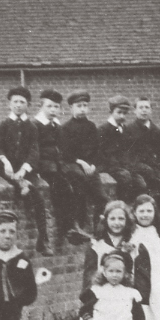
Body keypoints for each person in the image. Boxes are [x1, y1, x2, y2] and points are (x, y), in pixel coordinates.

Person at [0, 86, 49, 253]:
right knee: (22, 188)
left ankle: (43, 240)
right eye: (15, 102)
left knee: (39, 200)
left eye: (22, 102)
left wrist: (24, 170)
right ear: (9, 104)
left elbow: (34, 151)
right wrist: (5, 161)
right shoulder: (3, 125)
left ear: (28, 105)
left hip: (25, 170)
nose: (18, 105)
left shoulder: (32, 127)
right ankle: (22, 186)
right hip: (7, 170)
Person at [31, 88, 86, 250]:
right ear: (41, 107)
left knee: (74, 182)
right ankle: (68, 228)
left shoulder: (57, 126)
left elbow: (61, 149)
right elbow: (35, 150)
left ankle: (73, 226)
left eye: (56, 107)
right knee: (61, 189)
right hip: (43, 167)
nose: (53, 110)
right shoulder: (35, 125)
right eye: (49, 106)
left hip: (57, 166)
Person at [59, 90, 104, 235]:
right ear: (71, 108)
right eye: (79, 106)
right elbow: (66, 153)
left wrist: (92, 164)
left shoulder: (91, 127)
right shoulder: (65, 128)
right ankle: (78, 226)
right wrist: (81, 162)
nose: (83, 109)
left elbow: (97, 149)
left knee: (102, 197)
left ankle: (99, 229)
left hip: (90, 166)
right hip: (73, 165)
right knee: (80, 189)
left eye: (85, 105)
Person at [96, 95, 141, 202]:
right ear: (111, 112)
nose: (122, 116)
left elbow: (129, 150)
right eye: (119, 112)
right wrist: (116, 166)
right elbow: (101, 152)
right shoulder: (103, 129)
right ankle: (122, 204)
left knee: (140, 182)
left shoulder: (125, 129)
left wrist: (129, 164)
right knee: (125, 178)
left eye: (124, 113)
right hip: (109, 165)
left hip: (124, 165)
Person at [129, 97, 160, 197]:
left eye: (147, 107)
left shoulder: (155, 130)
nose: (144, 110)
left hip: (153, 169)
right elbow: (126, 154)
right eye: (141, 107)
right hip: (136, 169)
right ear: (135, 111)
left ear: (150, 110)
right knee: (142, 188)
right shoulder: (129, 129)